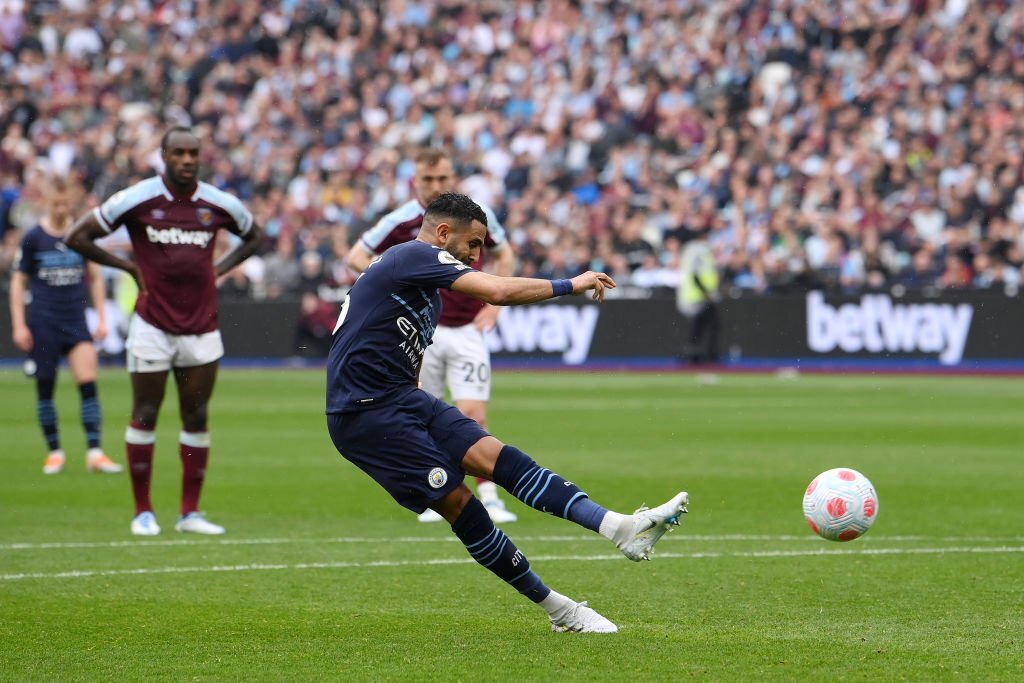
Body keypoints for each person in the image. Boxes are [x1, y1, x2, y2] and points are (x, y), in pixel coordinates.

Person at [327, 193, 688, 633]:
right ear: (444, 233)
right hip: (363, 414)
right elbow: (496, 290)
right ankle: (561, 611)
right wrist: (570, 284)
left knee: (497, 457)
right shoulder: (411, 256)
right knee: (461, 501)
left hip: (403, 399)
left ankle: (619, 528)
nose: (478, 256)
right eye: (474, 244)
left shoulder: (426, 293)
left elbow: (408, 358)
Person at [65, 127, 262, 536]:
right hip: (152, 325)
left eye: (193, 153)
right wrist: (129, 268)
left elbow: (254, 236)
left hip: (202, 326)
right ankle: (143, 512)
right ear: (164, 156)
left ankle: (189, 513)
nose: (187, 160)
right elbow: (77, 236)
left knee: (196, 415)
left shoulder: (218, 203)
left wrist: (220, 270)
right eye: (179, 153)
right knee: (146, 413)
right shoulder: (137, 198)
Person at [347, 149, 518, 524]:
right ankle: (439, 490)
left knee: (473, 413)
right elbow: (355, 257)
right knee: (422, 413)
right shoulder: (400, 220)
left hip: (469, 328)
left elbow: (505, 254)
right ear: (415, 181)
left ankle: (488, 494)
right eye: (428, 180)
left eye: (442, 179)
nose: (436, 186)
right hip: (424, 332)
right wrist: (392, 277)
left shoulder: (470, 218)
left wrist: (494, 306)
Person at [9, 175, 123, 475]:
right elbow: (19, 283)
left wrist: (100, 317)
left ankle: (95, 452)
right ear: (46, 202)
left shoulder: (80, 234)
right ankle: (55, 452)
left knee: (88, 384)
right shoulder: (34, 238)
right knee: (45, 389)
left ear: (70, 202)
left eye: (65, 203)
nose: (60, 208)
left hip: (74, 320)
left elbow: (95, 277)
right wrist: (19, 324)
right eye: (55, 203)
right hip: (44, 321)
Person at [676, 229, 721, 364]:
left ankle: (696, 355)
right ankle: (703, 355)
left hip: (695, 295)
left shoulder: (690, 251)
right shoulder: (698, 251)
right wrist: (706, 292)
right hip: (699, 296)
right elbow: (696, 274)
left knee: (700, 326)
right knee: (709, 325)